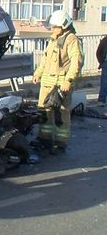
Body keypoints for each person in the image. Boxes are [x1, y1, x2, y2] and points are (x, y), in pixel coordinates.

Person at [32, 10, 82, 153]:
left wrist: (68, 81)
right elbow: (45, 59)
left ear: (64, 25)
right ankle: (44, 138)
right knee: (43, 111)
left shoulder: (71, 39)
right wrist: (38, 73)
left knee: (61, 113)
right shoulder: (53, 39)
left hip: (61, 84)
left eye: (55, 26)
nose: (52, 29)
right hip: (47, 82)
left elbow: (76, 63)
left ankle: (60, 143)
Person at [96, 35, 107, 105]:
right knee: (104, 82)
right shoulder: (105, 40)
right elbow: (98, 52)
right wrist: (102, 62)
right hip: (106, 63)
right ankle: (101, 100)